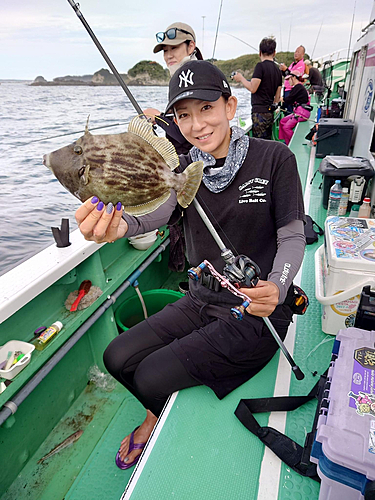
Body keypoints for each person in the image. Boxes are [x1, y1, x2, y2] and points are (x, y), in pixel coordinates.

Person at [74, 60, 306, 470]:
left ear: (230, 107)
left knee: (147, 376)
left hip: (254, 312)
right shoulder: (181, 172)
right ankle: (157, 408)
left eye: (206, 108)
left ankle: (152, 413)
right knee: (116, 357)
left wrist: (278, 288)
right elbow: (151, 217)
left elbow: (290, 236)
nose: (197, 125)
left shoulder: (275, 158)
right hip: (200, 297)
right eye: (183, 114)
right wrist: (116, 227)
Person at [143, 22, 203, 155]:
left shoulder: (194, 79)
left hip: (193, 165)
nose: (168, 55)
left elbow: (185, 133)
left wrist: (158, 117)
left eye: (174, 48)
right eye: (165, 50)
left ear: (191, 46)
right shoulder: (181, 79)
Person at [232, 37, 282, 140]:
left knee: (259, 144)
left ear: (260, 52)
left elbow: (253, 88)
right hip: (269, 113)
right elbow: (277, 96)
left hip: (259, 113)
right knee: (267, 142)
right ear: (274, 53)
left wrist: (241, 78)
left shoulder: (260, 67)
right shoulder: (277, 70)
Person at [278, 70, 311, 145]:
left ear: (294, 78)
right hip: (299, 111)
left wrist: (281, 99)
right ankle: (286, 142)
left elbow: (289, 99)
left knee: (286, 127)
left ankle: (293, 143)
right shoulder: (297, 87)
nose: (288, 81)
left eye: (289, 79)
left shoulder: (298, 87)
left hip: (302, 113)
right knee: (282, 121)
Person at [280, 45, 306, 113]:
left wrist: (286, 69)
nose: (296, 53)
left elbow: (294, 75)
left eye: (298, 52)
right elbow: (287, 76)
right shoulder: (293, 64)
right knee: (286, 108)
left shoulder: (301, 65)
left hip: (292, 90)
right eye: (295, 51)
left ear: (303, 54)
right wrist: (283, 70)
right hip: (286, 89)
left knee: (290, 110)